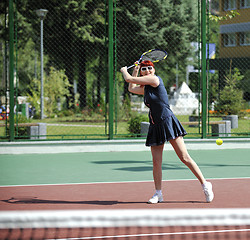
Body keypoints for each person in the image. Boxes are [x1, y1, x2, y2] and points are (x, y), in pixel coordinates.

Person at [120, 60, 214, 204]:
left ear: (153, 69)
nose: (147, 70)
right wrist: (135, 69)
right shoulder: (145, 88)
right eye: (144, 69)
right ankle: (158, 194)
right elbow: (131, 88)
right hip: (155, 125)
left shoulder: (155, 79)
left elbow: (128, 79)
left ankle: (205, 184)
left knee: (184, 157)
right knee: (156, 162)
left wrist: (124, 70)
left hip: (167, 121)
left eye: (149, 68)